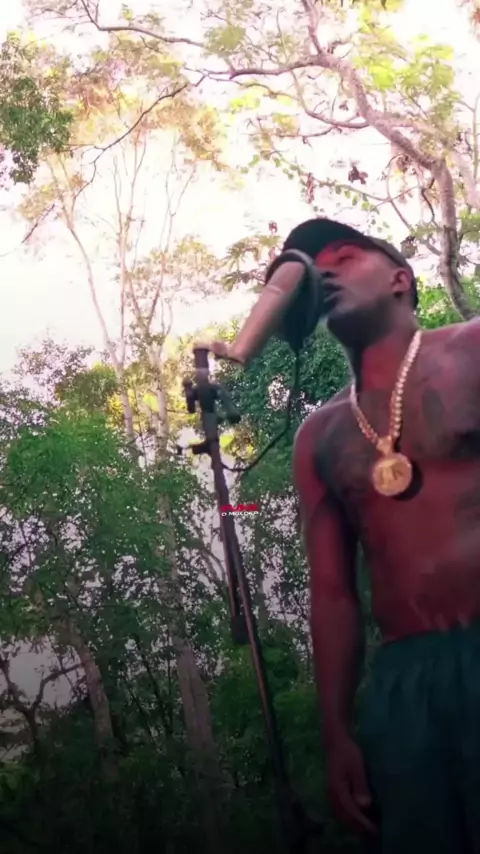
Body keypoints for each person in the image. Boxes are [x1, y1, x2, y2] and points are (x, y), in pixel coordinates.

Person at [203, 217, 480, 854]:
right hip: (405, 681)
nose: (325, 269)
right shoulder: (319, 436)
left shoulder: (470, 351)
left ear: (400, 280)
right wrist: (336, 731)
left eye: (346, 256)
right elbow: (332, 595)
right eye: (315, 264)